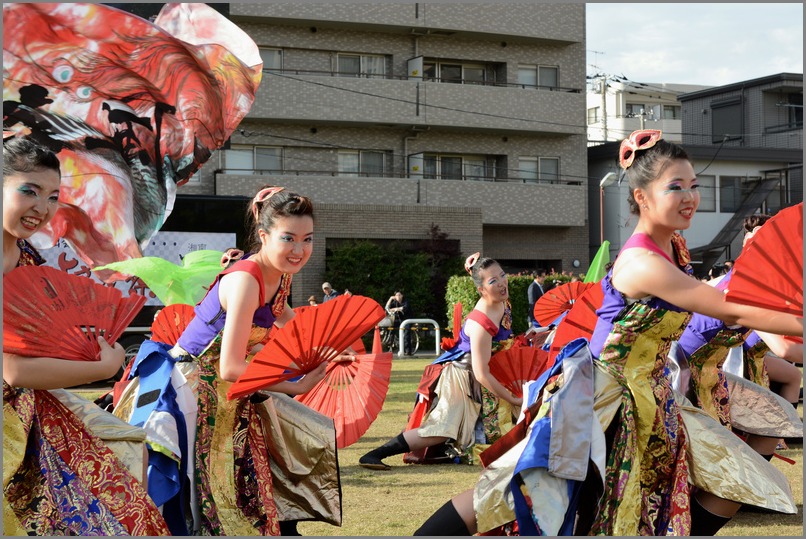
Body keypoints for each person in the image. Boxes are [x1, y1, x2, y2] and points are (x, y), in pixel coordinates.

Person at [414, 129, 801, 536]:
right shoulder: (641, 262)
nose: (690, 197)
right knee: (517, 494)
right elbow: (727, 306)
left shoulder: (676, 249)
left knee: (734, 479)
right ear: (642, 197)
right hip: (601, 396)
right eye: (675, 187)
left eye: (694, 186)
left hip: (652, 396)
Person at [113, 186, 342, 536]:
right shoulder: (245, 281)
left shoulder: (281, 273)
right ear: (263, 236)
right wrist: (296, 384)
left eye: (307, 239)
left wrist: (329, 347)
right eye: (289, 239)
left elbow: (289, 323)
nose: (300, 250)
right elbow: (231, 367)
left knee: (247, 490)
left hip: (228, 395)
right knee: (192, 501)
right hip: (185, 393)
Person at [2, 135, 169, 535]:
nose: (41, 208)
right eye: (29, 191)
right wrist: (103, 365)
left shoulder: (29, 257)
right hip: (11, 421)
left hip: (28, 413)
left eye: (53, 196)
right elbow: (13, 371)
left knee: (122, 473)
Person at [359, 254, 521, 471]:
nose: (502, 283)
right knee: (442, 428)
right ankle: (376, 454)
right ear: (481, 290)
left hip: (486, 375)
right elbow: (481, 373)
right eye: (493, 281)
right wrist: (511, 397)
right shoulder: (481, 322)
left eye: (502, 275)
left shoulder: (500, 300)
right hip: (463, 378)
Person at [385, 291, 413, 355]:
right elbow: (387, 308)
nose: (398, 296)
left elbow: (404, 308)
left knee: (406, 333)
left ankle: (408, 351)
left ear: (402, 296)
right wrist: (390, 299)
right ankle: (390, 347)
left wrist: (395, 309)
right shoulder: (395, 302)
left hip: (407, 320)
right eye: (396, 295)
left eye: (399, 295)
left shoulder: (406, 301)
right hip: (399, 320)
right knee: (391, 330)